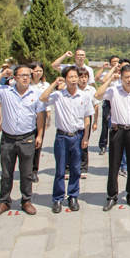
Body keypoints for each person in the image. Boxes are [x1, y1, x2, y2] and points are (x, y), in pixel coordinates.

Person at [0, 65, 46, 217]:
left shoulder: (36, 93)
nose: (25, 78)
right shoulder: (5, 91)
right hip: (8, 139)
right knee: (6, 173)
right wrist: (1, 74)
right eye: (22, 75)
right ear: (15, 77)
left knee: (26, 173)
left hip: (27, 138)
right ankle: (4, 201)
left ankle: (26, 201)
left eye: (27, 75)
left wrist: (39, 135)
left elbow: (40, 116)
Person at [94, 63, 130, 211]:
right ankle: (112, 196)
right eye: (126, 77)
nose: (129, 80)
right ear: (121, 77)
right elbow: (97, 95)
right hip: (117, 131)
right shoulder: (113, 91)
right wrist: (109, 80)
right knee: (114, 164)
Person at [40, 66, 93, 213]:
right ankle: (57, 198)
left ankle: (73, 196)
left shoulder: (84, 96)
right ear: (64, 79)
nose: (74, 80)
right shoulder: (58, 95)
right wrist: (54, 84)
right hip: (62, 137)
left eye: (76, 76)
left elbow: (87, 117)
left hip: (77, 136)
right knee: (60, 169)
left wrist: (86, 137)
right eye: (71, 77)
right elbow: (43, 98)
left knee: (76, 169)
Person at [28, 61, 51, 183]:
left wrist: (48, 116)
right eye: (36, 70)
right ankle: (26, 169)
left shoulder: (45, 85)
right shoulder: (26, 83)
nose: (38, 73)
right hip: (27, 116)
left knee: (38, 143)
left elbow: (47, 102)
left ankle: (34, 171)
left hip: (40, 115)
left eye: (40, 71)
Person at [75, 67, 99, 178]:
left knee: (84, 142)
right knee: (73, 144)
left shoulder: (91, 90)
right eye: (81, 77)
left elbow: (96, 105)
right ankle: (69, 168)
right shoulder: (73, 89)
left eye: (86, 77)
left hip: (87, 118)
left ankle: (83, 168)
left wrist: (95, 121)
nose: (84, 79)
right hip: (74, 117)